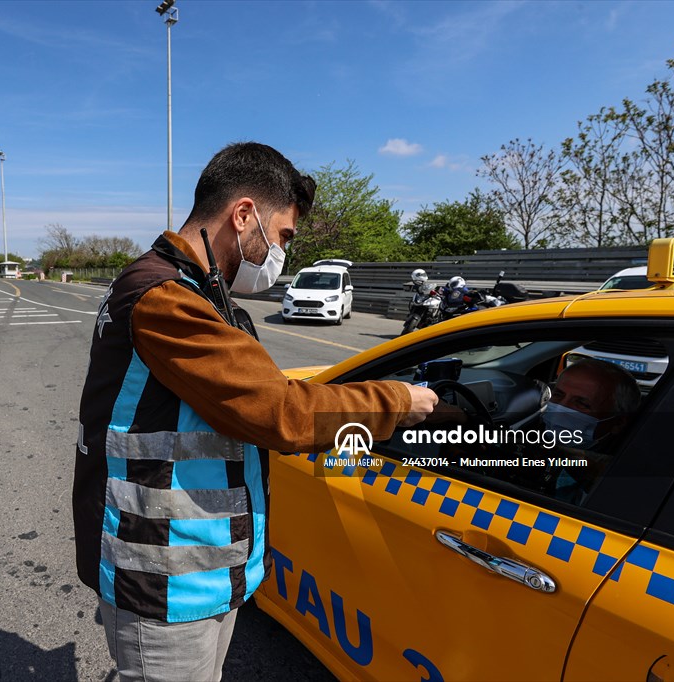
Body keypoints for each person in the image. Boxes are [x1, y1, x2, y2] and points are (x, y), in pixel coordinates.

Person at [73, 142, 438, 682]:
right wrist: (396, 400)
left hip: (200, 568)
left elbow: (248, 392)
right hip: (164, 578)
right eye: (283, 236)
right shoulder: (165, 298)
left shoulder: (203, 295)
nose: (280, 253)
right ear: (244, 215)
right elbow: (280, 412)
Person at [541, 356, 641, 502]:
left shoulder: (623, 476)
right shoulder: (530, 435)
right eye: (558, 395)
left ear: (618, 423)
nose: (560, 409)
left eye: (582, 404)